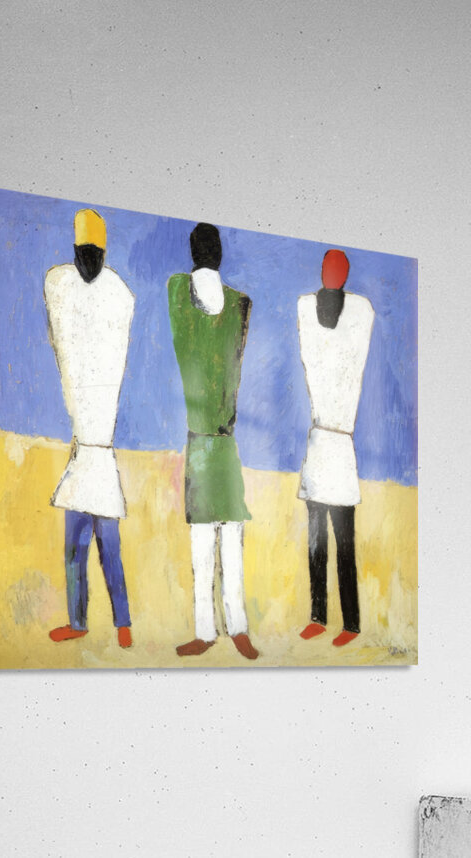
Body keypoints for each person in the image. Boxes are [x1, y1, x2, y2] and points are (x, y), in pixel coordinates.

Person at [167, 223, 259, 660]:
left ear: (193, 253)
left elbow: (183, 284)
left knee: (207, 546)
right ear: (220, 253)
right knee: (223, 544)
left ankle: (217, 630)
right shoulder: (239, 305)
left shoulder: (178, 294)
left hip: (210, 447)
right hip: (216, 445)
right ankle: (229, 628)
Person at [44, 209, 134, 648]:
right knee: (78, 548)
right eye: (83, 253)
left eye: (91, 253)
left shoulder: (114, 294)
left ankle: (122, 623)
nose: (86, 260)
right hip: (88, 452)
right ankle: (86, 623)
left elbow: (58, 287)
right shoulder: (112, 293)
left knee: (105, 548)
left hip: (95, 452)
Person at [296, 249, 375, 646]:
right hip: (323, 444)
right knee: (319, 542)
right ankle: (318, 616)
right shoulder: (342, 312)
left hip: (337, 446)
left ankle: (351, 623)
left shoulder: (354, 313)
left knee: (342, 543)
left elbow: (333, 307)